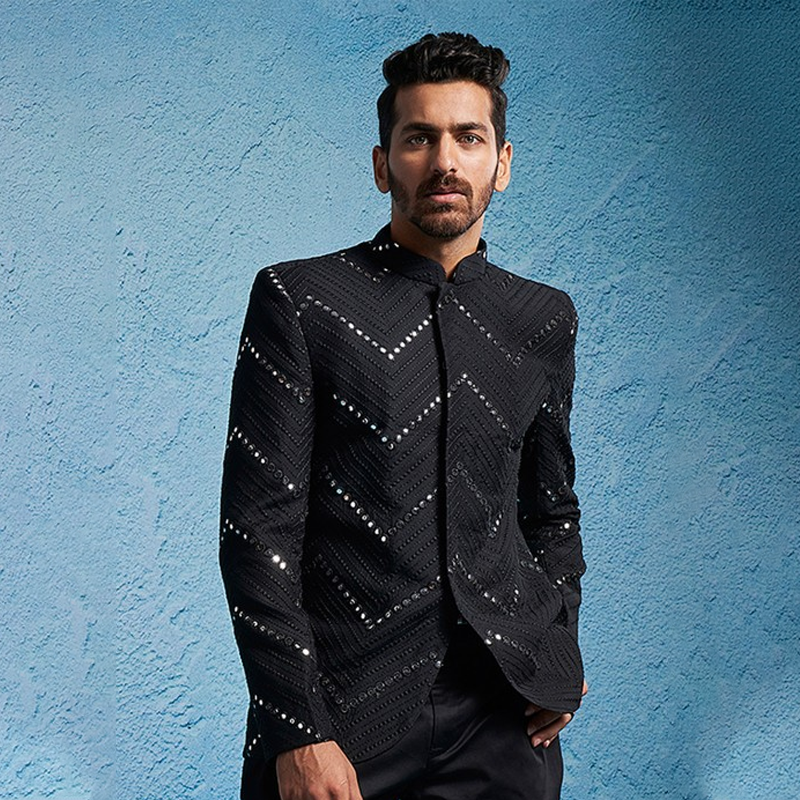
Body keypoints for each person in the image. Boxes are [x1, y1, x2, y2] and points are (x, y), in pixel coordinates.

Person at [219, 32, 587, 800]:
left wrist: (557, 654)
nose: (445, 160)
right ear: (383, 163)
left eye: (469, 138)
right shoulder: (302, 301)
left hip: (502, 718)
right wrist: (298, 729)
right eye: (419, 137)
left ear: (502, 163)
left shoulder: (542, 319)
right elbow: (257, 533)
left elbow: (550, 511)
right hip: (342, 717)